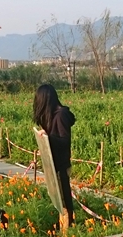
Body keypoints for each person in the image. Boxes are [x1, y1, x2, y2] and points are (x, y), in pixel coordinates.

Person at [33, 84, 76, 227]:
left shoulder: (61, 115)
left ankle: (69, 229)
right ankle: (65, 228)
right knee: (59, 200)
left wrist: (48, 138)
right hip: (54, 164)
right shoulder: (51, 115)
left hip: (61, 165)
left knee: (64, 200)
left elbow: (64, 141)